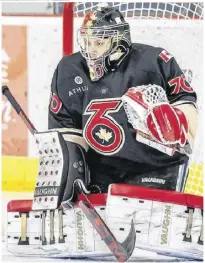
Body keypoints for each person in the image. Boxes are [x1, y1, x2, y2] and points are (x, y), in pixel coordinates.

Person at [48, 6, 198, 195]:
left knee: (150, 223)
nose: (90, 50)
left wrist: (174, 126)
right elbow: (65, 127)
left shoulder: (155, 62)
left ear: (119, 42)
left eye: (99, 42)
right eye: (87, 42)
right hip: (101, 172)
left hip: (154, 167)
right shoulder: (68, 70)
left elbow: (186, 109)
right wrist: (69, 170)